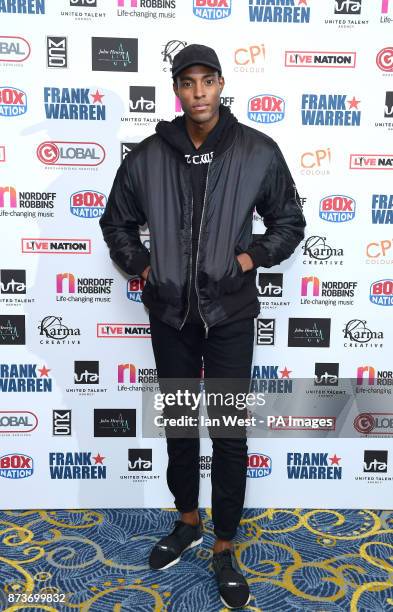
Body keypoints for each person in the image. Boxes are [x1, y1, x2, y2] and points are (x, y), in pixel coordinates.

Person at [99, 43, 306, 609]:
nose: (197, 92)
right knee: (181, 428)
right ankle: (187, 520)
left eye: (206, 81)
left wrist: (249, 258)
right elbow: (115, 222)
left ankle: (223, 542)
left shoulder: (257, 151)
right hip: (171, 315)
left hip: (232, 312)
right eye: (187, 82)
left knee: (229, 434)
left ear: (220, 85)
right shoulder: (147, 156)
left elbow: (289, 221)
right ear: (176, 89)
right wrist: (145, 267)